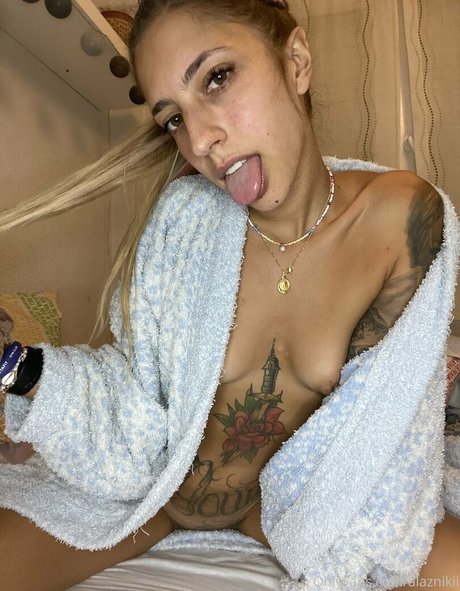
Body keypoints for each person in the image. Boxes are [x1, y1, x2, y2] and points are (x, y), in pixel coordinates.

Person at [0, 1, 459, 590]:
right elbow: (134, 399)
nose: (200, 140)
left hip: (282, 513)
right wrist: (14, 366)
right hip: (153, 499)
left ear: (296, 62)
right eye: (173, 118)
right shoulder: (185, 220)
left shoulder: (402, 219)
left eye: (217, 78)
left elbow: (382, 434)